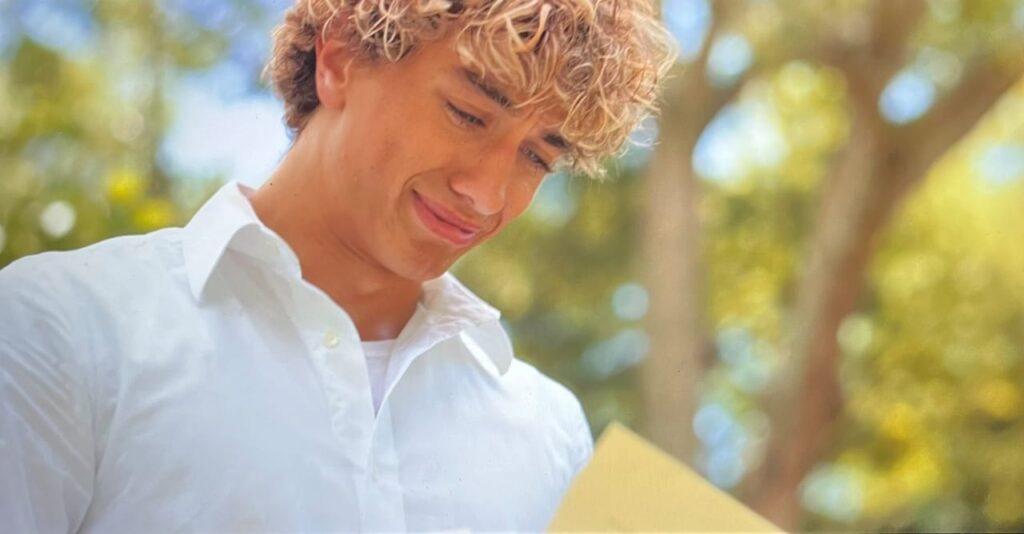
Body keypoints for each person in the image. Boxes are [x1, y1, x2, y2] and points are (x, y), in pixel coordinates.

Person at [0, 0, 675, 531]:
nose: (488, 195)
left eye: (537, 158)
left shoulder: (550, 433)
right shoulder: (59, 332)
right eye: (469, 114)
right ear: (342, 56)